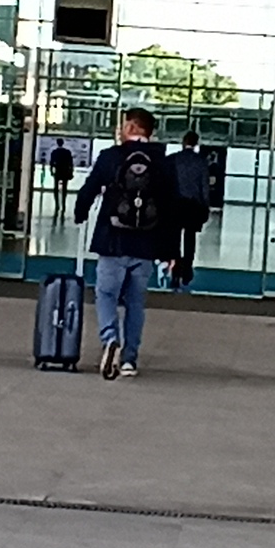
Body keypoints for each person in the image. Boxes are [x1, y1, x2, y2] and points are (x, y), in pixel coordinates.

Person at [73, 107, 173, 379]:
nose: (119, 130)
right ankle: (129, 360)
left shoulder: (111, 157)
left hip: (112, 241)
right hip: (146, 245)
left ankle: (109, 339)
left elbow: (89, 190)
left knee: (106, 295)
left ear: (131, 128)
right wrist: (169, 251)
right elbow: (170, 208)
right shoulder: (162, 161)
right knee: (135, 303)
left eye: (123, 125)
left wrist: (80, 214)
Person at [162, 130, 215, 291]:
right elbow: (204, 188)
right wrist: (206, 206)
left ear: (183, 142)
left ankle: (175, 268)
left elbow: (166, 183)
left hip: (175, 204)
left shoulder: (173, 160)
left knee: (175, 238)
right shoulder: (201, 162)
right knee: (190, 238)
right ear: (196, 143)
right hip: (193, 205)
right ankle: (187, 268)